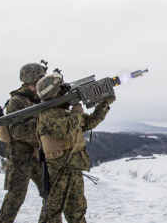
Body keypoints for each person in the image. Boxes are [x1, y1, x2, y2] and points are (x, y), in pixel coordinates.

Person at [36, 71, 115, 222]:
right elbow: (64, 129)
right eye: (61, 88)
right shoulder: (48, 114)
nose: (65, 90)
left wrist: (103, 105)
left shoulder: (64, 111)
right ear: (53, 93)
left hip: (73, 167)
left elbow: (89, 123)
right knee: (52, 212)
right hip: (59, 169)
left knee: (77, 210)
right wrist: (77, 112)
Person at [0, 62, 47, 223]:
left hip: (37, 154)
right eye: (39, 78)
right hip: (20, 156)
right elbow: (16, 131)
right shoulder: (17, 101)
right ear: (30, 79)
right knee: (16, 197)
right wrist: (41, 124)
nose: (41, 81)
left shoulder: (41, 97)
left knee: (51, 193)